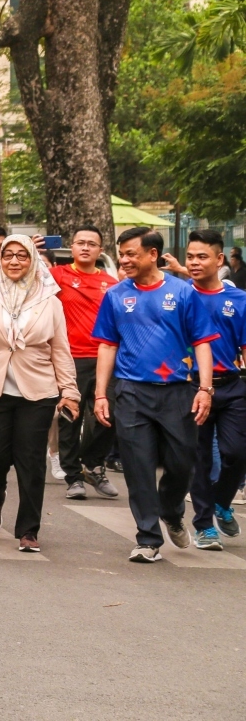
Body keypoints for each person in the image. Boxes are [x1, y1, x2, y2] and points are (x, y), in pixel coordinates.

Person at [92, 227, 218, 562]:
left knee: (183, 462)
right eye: (122, 254)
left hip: (178, 392)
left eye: (132, 253)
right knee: (138, 467)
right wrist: (101, 394)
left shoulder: (183, 292)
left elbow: (203, 341)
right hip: (131, 391)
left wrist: (205, 388)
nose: (125, 260)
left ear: (153, 254)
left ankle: (171, 510)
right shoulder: (116, 295)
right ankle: (148, 538)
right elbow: (107, 345)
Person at [0, 235, 80, 552]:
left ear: (32, 260)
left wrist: (69, 391)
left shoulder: (50, 301)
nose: (15, 261)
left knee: (32, 461)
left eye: (22, 255)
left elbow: (61, 350)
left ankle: (28, 530)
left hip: (37, 392)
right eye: (8, 255)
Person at [182, 229, 246, 550]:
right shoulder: (179, 296)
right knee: (201, 458)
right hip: (190, 388)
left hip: (232, 387)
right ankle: (204, 525)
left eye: (202, 256)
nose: (194, 262)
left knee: (237, 453)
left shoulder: (240, 300)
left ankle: (222, 502)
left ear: (219, 259)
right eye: (190, 256)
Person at [49, 225, 120, 500]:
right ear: (72, 247)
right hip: (70, 360)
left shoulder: (112, 285)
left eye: (92, 244)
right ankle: (73, 476)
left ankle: (93, 465)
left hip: (105, 358)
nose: (86, 247)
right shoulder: (58, 276)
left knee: (107, 415)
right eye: (81, 243)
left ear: (100, 250)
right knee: (69, 418)